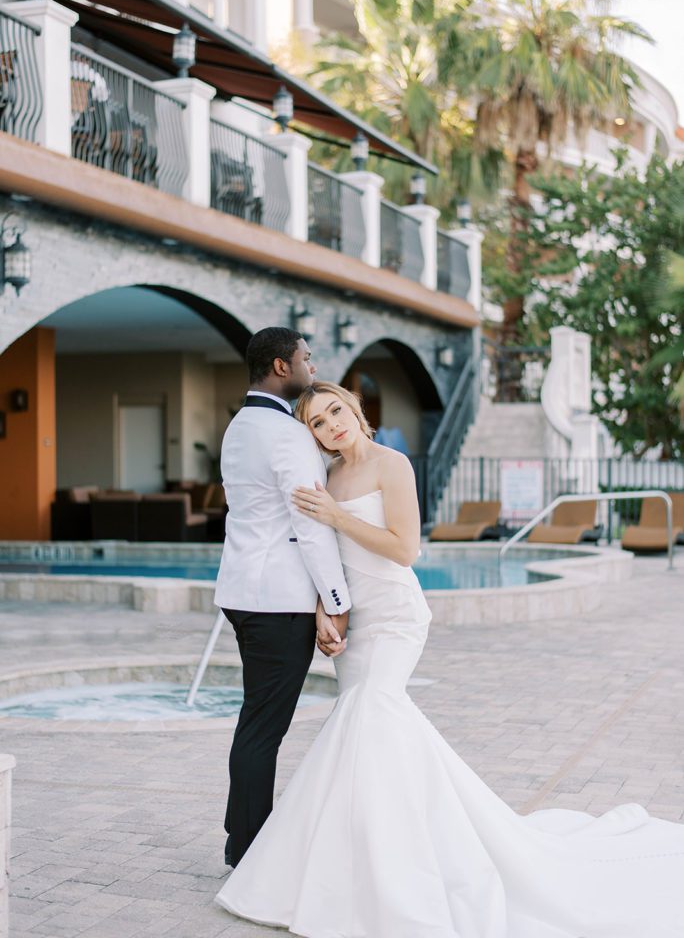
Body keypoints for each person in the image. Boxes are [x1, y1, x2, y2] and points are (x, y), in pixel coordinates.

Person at [216, 381, 684, 937]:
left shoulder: (393, 465)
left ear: (355, 408)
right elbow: (327, 555)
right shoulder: (328, 477)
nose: (331, 427)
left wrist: (337, 517)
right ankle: (377, 852)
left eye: (335, 411)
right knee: (374, 733)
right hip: (356, 625)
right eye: (317, 423)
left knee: (368, 717)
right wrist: (327, 609)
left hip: (394, 617)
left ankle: (393, 868)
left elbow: (405, 548)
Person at [213, 331, 351, 870]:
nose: (311, 367)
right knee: (264, 728)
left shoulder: (238, 427)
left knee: (256, 721)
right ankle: (248, 848)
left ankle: (239, 832)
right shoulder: (287, 434)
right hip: (278, 600)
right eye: (305, 358)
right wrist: (335, 599)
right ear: (280, 365)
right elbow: (310, 523)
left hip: (245, 592)